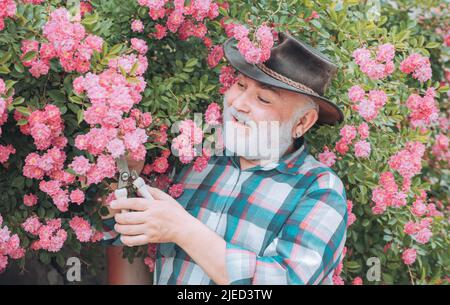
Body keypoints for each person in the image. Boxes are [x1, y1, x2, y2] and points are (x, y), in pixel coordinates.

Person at [105, 31, 348, 285]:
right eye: (240, 85)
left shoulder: (319, 189)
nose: (239, 103)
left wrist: (183, 229)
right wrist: (127, 174)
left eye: (263, 98)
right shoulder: (195, 156)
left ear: (303, 121)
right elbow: (123, 232)